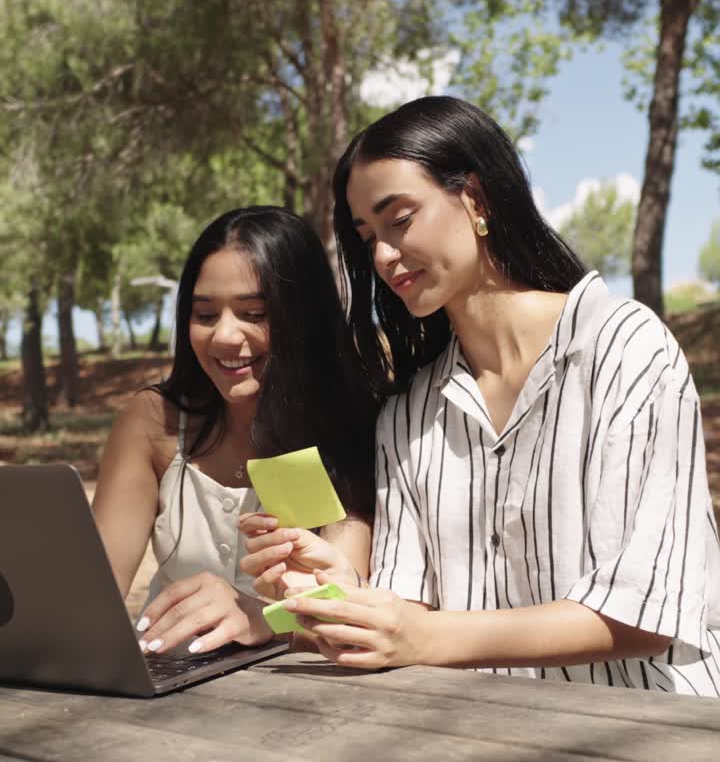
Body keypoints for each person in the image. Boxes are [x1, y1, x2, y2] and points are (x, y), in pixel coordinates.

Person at [241, 97, 720, 694]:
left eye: (400, 219)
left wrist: (423, 635)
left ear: (476, 198)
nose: (384, 255)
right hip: (479, 742)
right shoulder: (407, 414)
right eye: (367, 237)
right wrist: (333, 592)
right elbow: (402, 612)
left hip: (652, 738)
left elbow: (643, 612)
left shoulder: (625, 349)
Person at [92, 205, 376, 656]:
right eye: (205, 315)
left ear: (302, 319)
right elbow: (92, 599)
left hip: (302, 700)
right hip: (166, 687)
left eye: (254, 313)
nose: (225, 335)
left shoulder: (348, 430)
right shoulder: (152, 421)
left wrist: (259, 618)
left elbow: (341, 607)